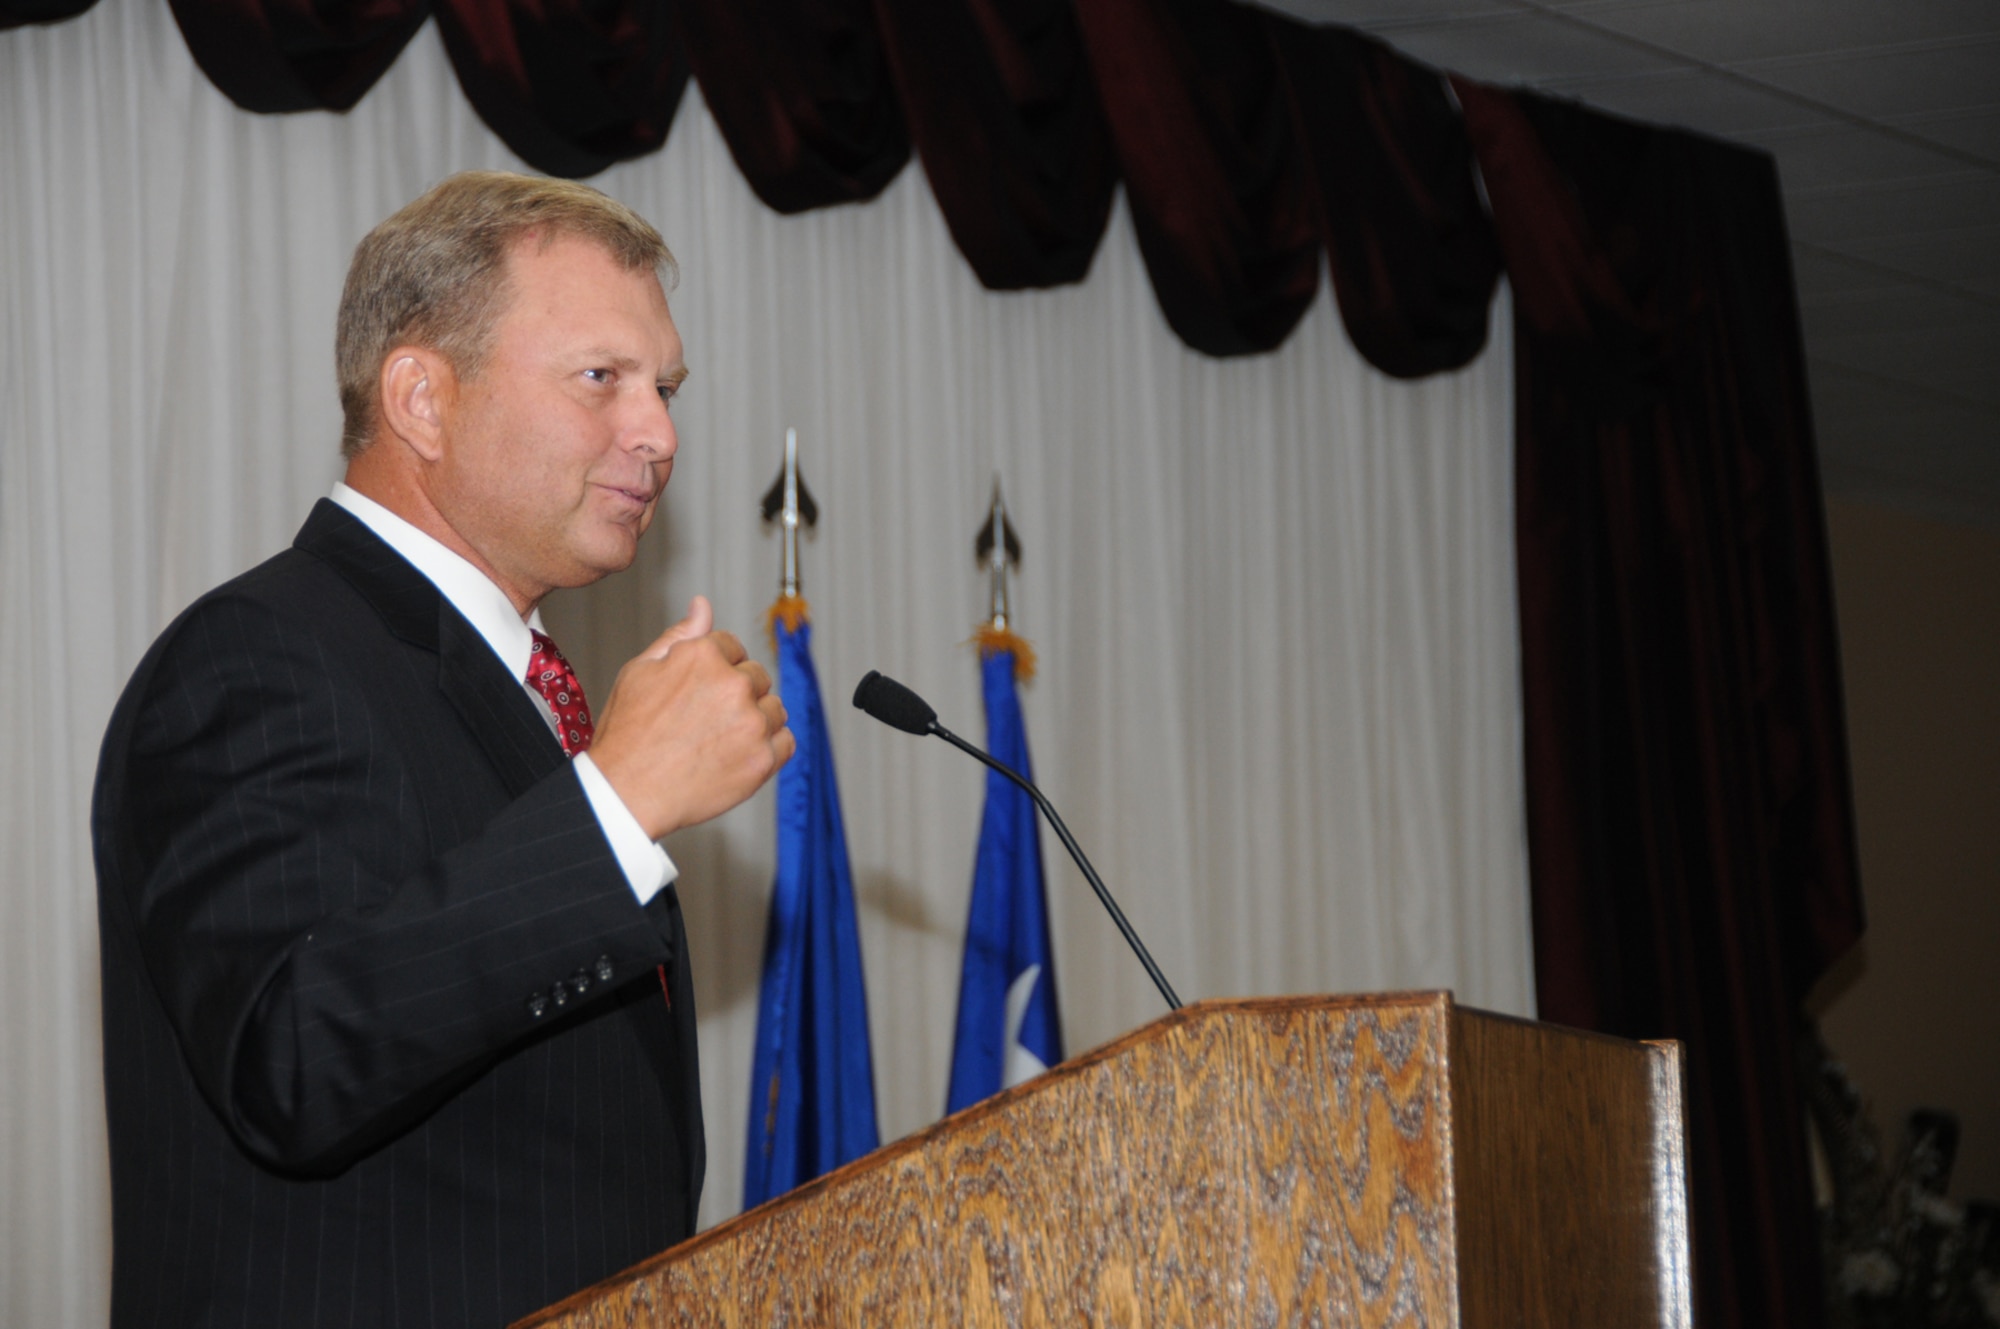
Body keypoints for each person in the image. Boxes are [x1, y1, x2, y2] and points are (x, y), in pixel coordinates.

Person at [91, 171, 793, 1327]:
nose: (660, 434)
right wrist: (615, 805)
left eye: (663, 387)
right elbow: (294, 1058)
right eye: (600, 379)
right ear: (421, 397)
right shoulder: (253, 657)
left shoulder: (525, 691)